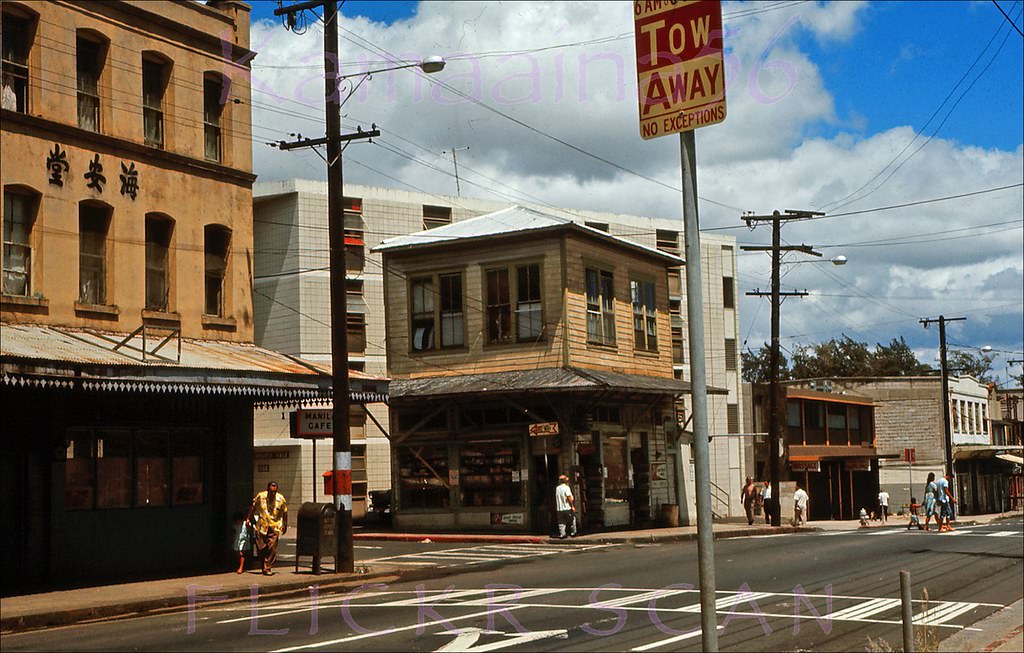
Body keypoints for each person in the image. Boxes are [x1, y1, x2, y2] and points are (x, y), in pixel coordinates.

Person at [247, 481, 288, 575]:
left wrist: (285, 524)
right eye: (271, 491)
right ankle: (263, 565)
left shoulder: (280, 499)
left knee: (272, 548)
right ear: (267, 490)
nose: (273, 493)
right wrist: (248, 518)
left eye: (275, 491)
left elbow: (285, 512)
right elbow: (253, 507)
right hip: (262, 526)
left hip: (274, 526)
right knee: (260, 548)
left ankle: (268, 567)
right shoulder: (260, 496)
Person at [554, 474, 576, 539]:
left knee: (561, 522)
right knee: (571, 520)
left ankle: (562, 534)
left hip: (559, 508)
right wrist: (572, 506)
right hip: (567, 507)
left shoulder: (557, 488)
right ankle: (573, 532)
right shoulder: (566, 488)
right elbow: (569, 497)